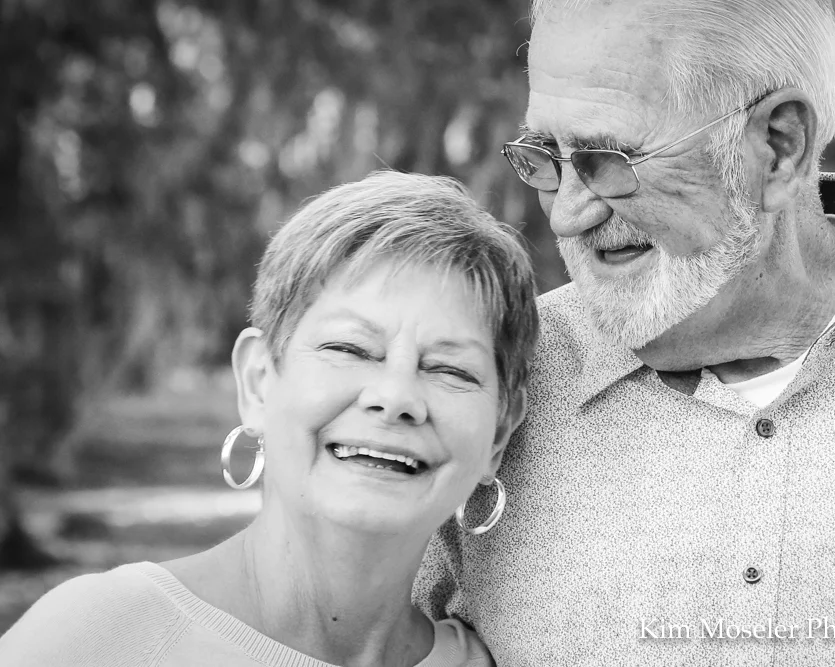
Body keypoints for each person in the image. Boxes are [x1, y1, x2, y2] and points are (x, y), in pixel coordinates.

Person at [414, 1, 835, 664]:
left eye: (608, 159)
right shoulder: (492, 374)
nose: (567, 215)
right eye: (545, 155)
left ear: (778, 146)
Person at [0, 171, 539, 667]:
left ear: (498, 432)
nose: (396, 396)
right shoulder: (98, 638)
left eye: (449, 370)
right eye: (349, 348)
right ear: (258, 381)